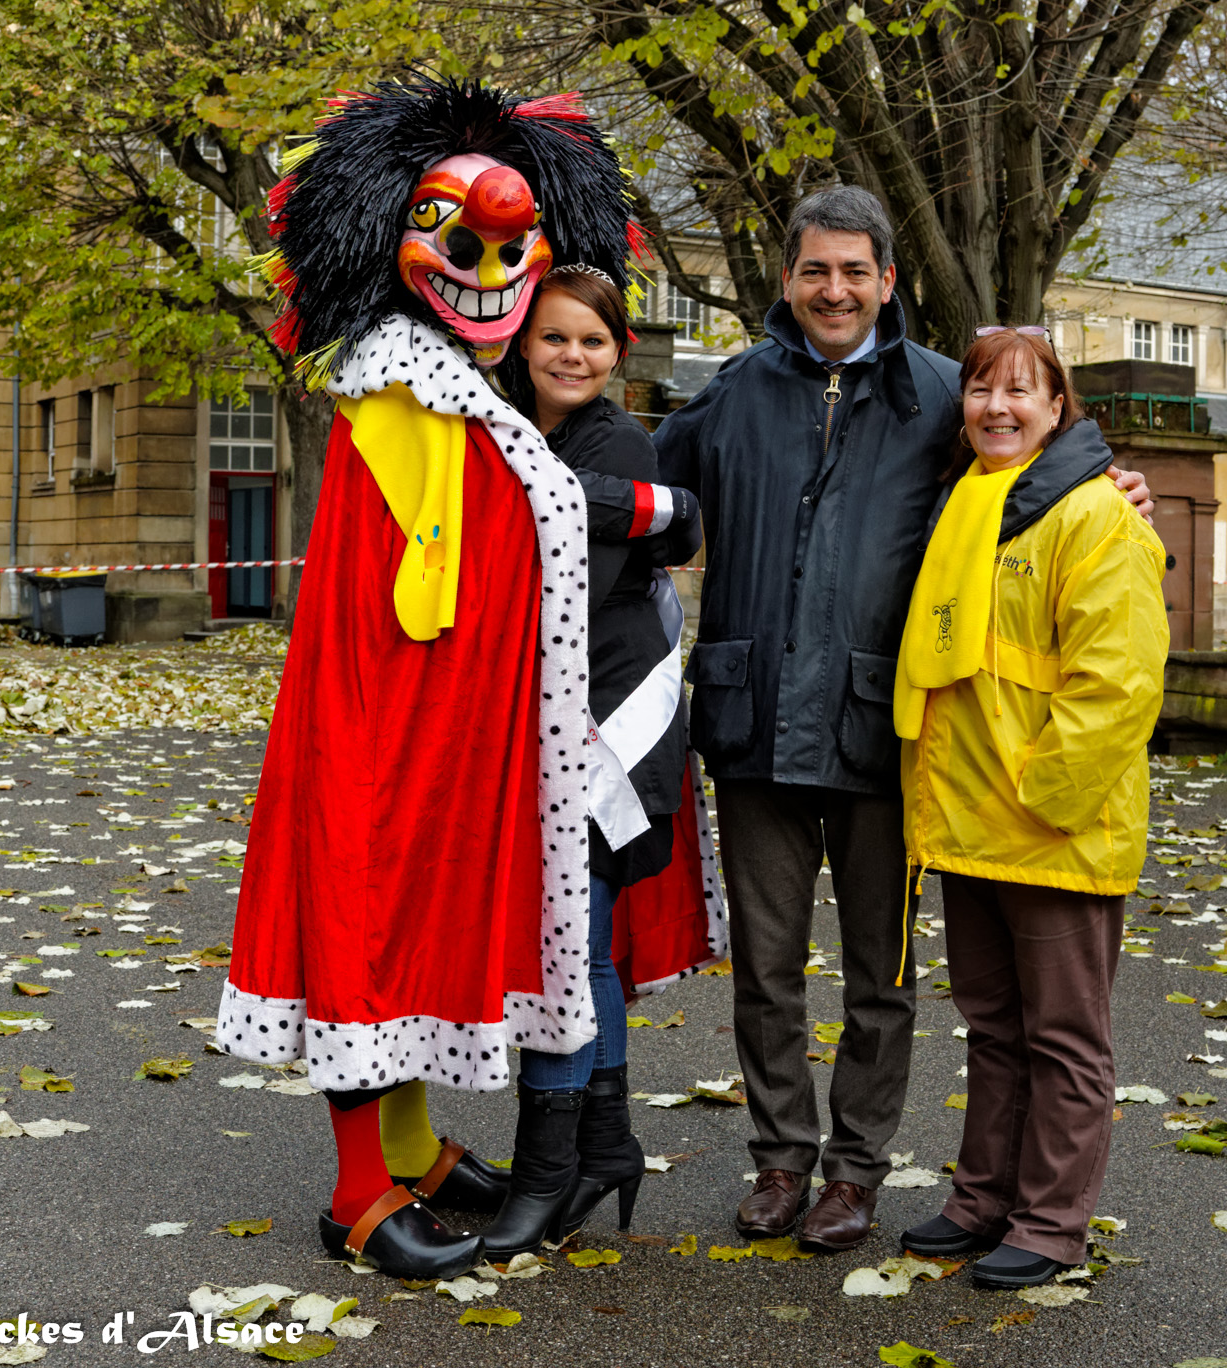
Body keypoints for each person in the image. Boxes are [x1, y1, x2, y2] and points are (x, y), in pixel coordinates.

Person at [217, 78, 712, 1281]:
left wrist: (657, 503)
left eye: (512, 245)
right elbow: (510, 522)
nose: (489, 267)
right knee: (367, 931)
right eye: (458, 238)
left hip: (437, 721)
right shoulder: (404, 383)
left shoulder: (454, 383)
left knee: (413, 931)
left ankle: (419, 1150)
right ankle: (356, 1196)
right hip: (385, 724)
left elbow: (520, 510)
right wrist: (665, 506)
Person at [653, 185, 1154, 1253]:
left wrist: (1107, 484)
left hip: (886, 734)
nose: (832, 289)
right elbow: (639, 490)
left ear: (886, 279)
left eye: (853, 270)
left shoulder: (940, 394)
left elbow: (1027, 465)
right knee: (765, 971)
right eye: (813, 270)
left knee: (881, 976)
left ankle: (854, 1173)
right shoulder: (734, 388)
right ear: (785, 280)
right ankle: (780, 1160)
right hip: (751, 727)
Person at [892, 327, 1168, 1290]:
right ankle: (983, 1199)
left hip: (1051, 828)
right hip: (969, 822)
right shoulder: (966, 504)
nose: (997, 409)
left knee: (1063, 1038)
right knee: (996, 1028)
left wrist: (1043, 799)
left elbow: (1119, 685)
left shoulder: (1096, 518)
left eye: (1021, 393)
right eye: (980, 391)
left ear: (1059, 410)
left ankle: (1051, 1224)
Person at [477, 265, 723, 1258]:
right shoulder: (532, 439)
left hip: (608, 739)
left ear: (618, 352)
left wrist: (538, 496)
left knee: (568, 951)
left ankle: (549, 1175)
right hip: (553, 730)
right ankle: (603, 1146)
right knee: (581, 951)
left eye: (591, 340)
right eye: (553, 339)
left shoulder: (615, 439)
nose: (573, 356)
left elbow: (556, 576)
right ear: (519, 347)